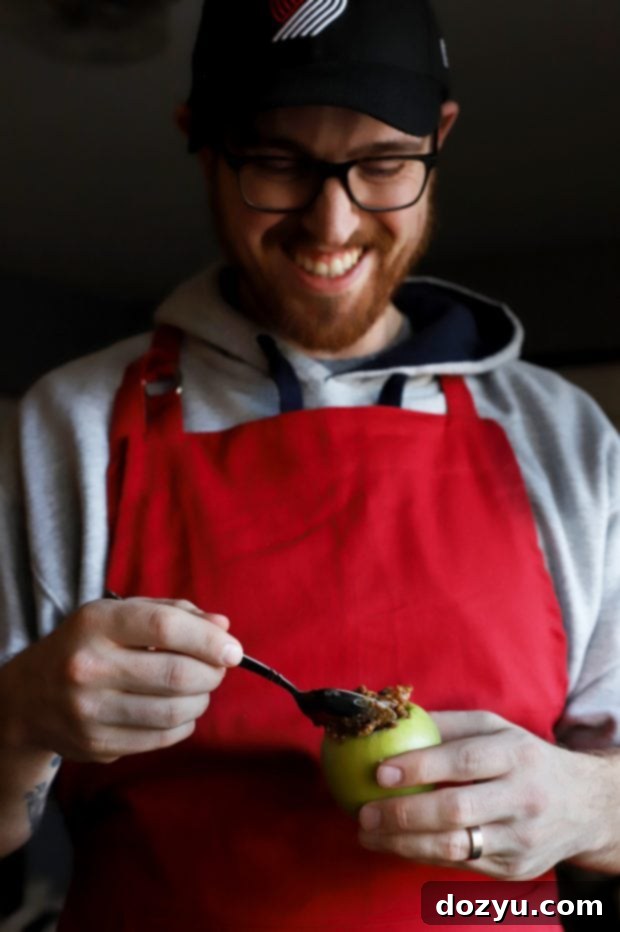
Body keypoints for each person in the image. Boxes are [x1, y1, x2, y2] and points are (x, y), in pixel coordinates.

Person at [1, 1, 619, 929]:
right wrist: (17, 717)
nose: (332, 225)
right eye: (278, 164)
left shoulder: (564, 435)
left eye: (383, 165)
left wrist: (591, 806)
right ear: (202, 144)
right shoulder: (76, 422)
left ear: (438, 139)